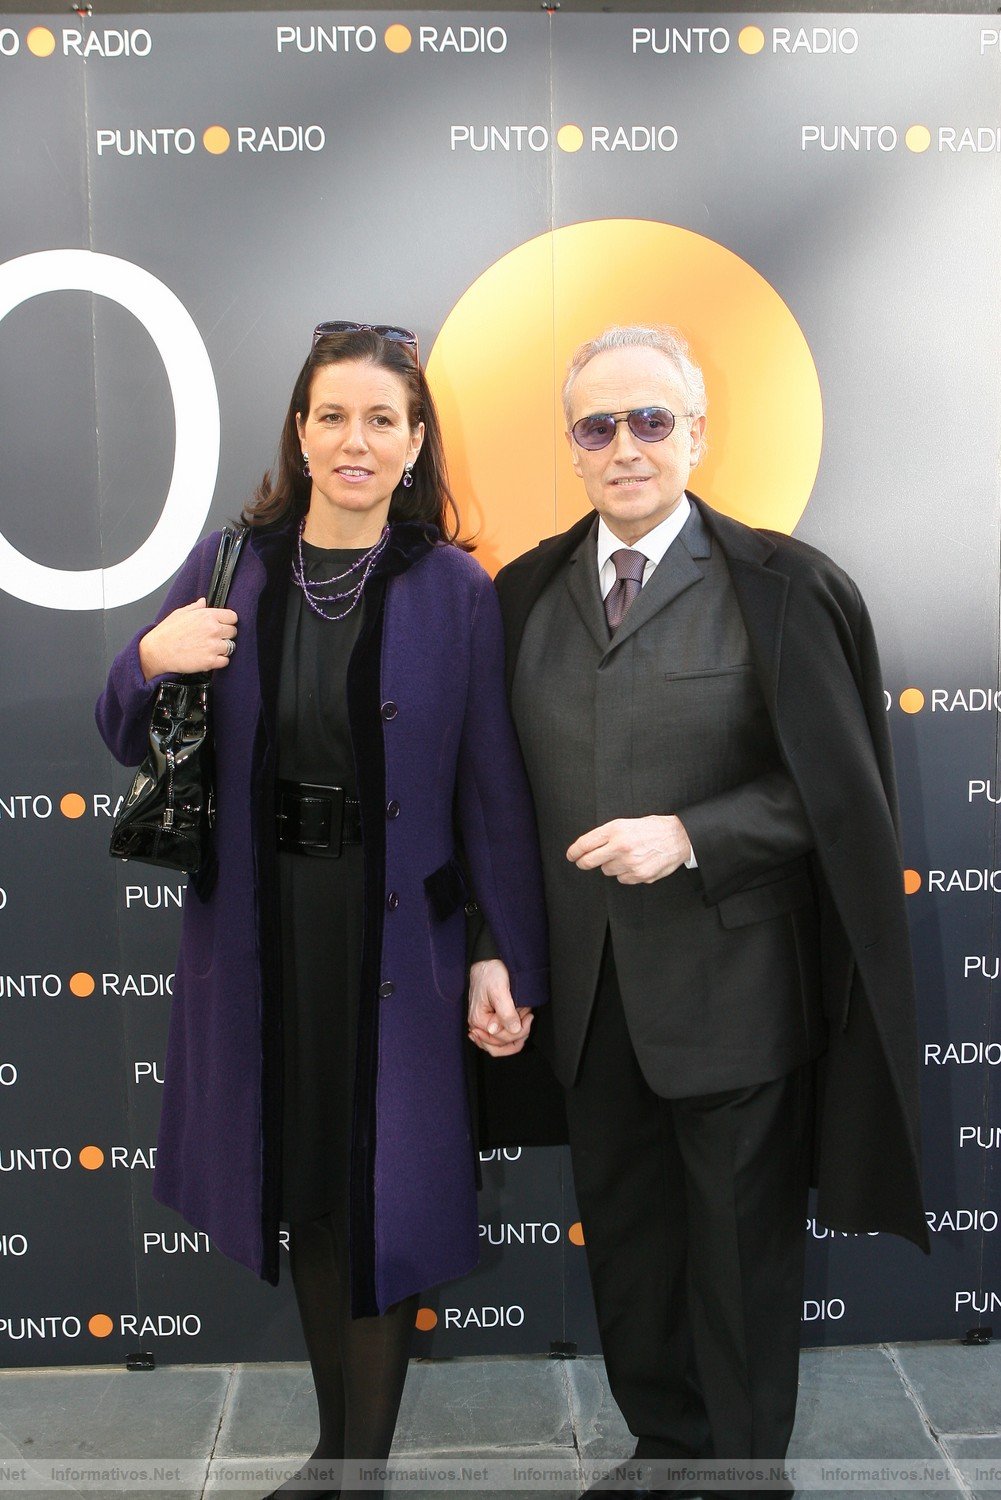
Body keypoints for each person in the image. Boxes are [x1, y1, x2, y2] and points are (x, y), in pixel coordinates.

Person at [96, 323, 547, 1500]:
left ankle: (358, 1469)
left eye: (380, 420)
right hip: (261, 935)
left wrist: (503, 950)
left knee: (378, 1193)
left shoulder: (454, 588)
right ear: (299, 432)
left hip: (400, 939)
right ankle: (329, 1452)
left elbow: (492, 789)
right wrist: (151, 653)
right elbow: (120, 724)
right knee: (303, 1185)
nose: (354, 440)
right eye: (332, 416)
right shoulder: (228, 564)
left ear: (413, 443)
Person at [483, 325, 928, 1496]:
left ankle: (738, 1475)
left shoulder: (784, 587)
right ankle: (662, 1451)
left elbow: (836, 800)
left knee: (738, 1266)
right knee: (629, 1254)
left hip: (734, 1000)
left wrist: (691, 835)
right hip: (585, 1005)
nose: (623, 445)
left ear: (696, 431)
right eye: (596, 425)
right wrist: (493, 948)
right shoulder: (521, 591)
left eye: (649, 420)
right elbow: (487, 801)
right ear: (569, 445)